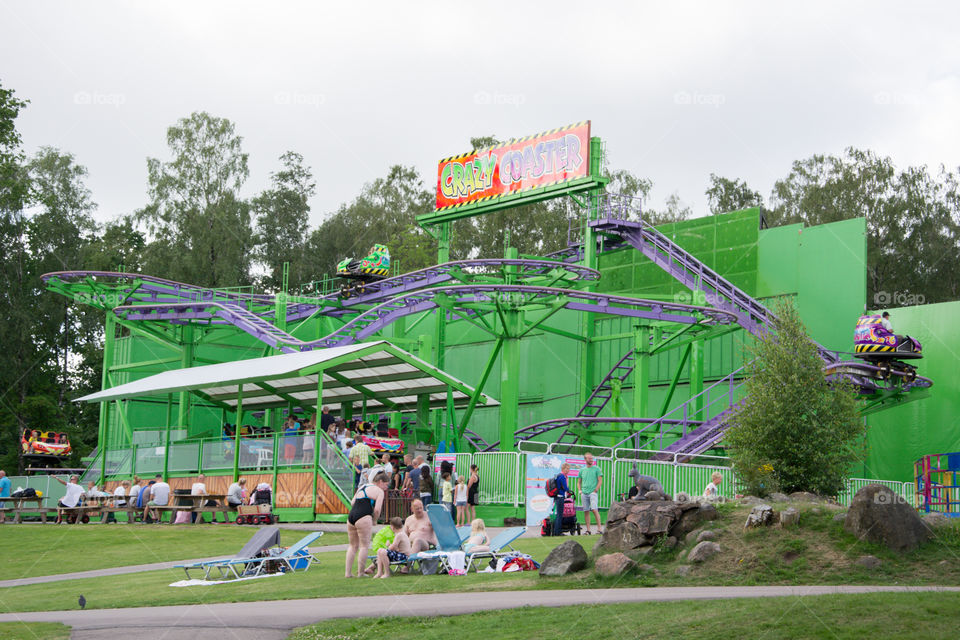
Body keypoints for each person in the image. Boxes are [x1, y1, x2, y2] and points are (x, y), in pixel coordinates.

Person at [345, 471, 389, 578]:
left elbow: (352, 503)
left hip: (351, 516)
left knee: (352, 546)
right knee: (364, 546)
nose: (386, 488)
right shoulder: (379, 491)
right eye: (386, 485)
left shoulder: (363, 486)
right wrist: (374, 520)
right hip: (363, 516)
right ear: (380, 481)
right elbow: (377, 510)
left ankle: (348, 573)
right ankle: (360, 573)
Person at [578, 453, 604, 535]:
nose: (591, 460)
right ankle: (588, 530)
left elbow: (600, 481)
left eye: (592, 458)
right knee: (586, 511)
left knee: (594, 509)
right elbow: (579, 482)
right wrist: (580, 491)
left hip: (593, 493)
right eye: (589, 458)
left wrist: (595, 490)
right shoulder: (582, 470)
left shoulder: (597, 469)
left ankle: (599, 529)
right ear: (585, 459)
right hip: (584, 493)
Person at [552, 463, 571, 537]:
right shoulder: (563, 477)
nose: (568, 470)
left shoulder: (558, 475)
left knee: (558, 514)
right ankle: (558, 532)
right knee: (560, 515)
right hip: (560, 496)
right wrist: (568, 490)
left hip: (556, 496)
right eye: (567, 469)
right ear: (564, 469)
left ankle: (556, 531)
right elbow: (565, 487)